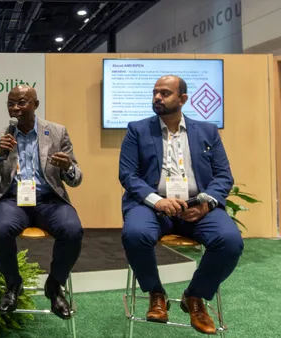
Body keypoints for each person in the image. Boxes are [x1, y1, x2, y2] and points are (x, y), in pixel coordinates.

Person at [118, 75, 243, 334]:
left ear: (183, 99)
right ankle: (156, 293)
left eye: (165, 93)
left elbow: (223, 176)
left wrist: (207, 204)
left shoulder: (207, 131)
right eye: (155, 92)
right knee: (135, 234)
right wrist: (159, 201)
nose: (157, 97)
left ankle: (194, 297)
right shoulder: (137, 129)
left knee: (230, 241)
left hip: (198, 207)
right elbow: (128, 175)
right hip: (153, 206)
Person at [0, 84, 83, 320]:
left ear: (35, 105)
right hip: (13, 200)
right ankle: (13, 284)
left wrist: (67, 167)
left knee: (73, 230)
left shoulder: (57, 132)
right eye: (10, 103)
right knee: (0, 229)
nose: (15, 108)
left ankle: (55, 285)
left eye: (21, 102)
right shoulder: (0, 137)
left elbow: (76, 178)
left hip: (50, 200)